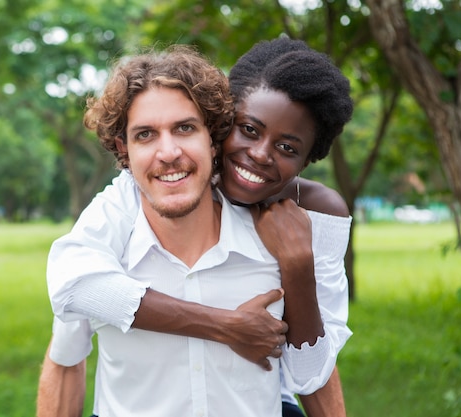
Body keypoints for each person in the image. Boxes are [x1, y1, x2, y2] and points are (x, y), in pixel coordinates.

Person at [40, 38, 353, 417]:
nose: (167, 152)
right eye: (250, 130)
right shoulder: (121, 210)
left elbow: (315, 373)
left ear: (211, 134)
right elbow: (71, 290)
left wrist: (298, 265)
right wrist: (227, 326)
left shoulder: (301, 224)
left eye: (185, 128)